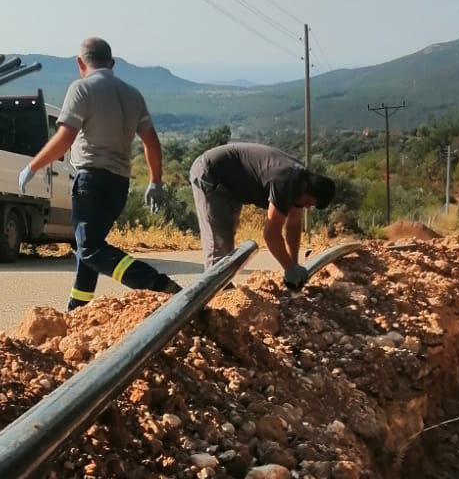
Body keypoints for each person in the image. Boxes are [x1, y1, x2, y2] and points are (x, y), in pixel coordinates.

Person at [19, 36, 181, 311]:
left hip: (91, 181)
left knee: (90, 249)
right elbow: (151, 142)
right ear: (112, 63)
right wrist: (155, 181)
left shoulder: (81, 89)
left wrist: (34, 165)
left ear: (80, 63)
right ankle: (77, 309)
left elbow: (66, 136)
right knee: (90, 247)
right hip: (119, 184)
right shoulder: (133, 94)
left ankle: (158, 285)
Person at [189, 141, 335, 288]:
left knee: (226, 237)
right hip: (210, 174)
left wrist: (294, 263)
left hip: (230, 185)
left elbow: (293, 224)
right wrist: (289, 269)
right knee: (219, 242)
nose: (308, 207)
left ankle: (221, 288)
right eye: (309, 203)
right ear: (307, 189)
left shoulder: (301, 183)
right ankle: (215, 296)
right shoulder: (284, 182)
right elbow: (271, 234)